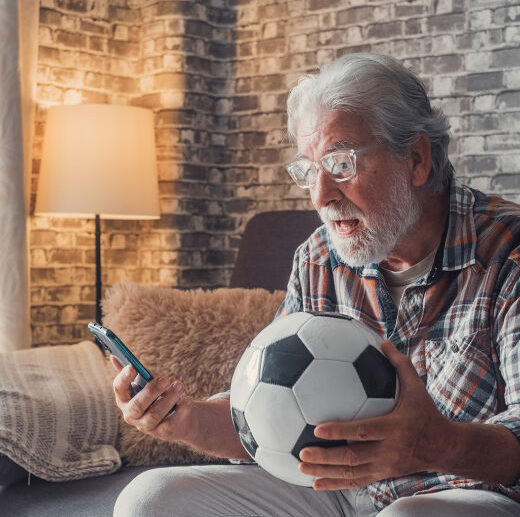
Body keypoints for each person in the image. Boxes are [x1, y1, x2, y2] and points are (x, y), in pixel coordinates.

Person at [112, 53, 520, 516]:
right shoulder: (319, 257)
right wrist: (184, 421)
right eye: (309, 171)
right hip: (336, 488)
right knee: (151, 500)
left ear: (417, 159)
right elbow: (271, 416)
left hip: (467, 493)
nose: (322, 196)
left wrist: (438, 444)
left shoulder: (508, 254)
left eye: (341, 163)